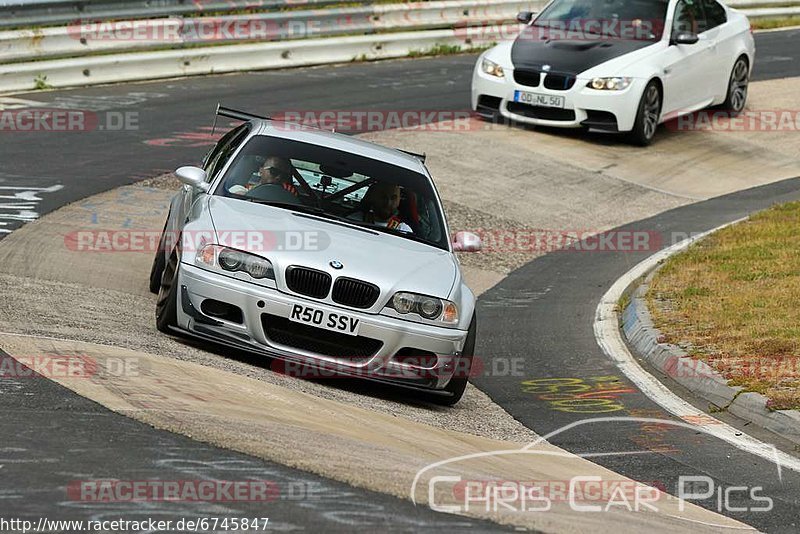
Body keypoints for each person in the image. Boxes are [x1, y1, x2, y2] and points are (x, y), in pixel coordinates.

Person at [229, 156, 298, 196]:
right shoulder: (240, 189)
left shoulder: (289, 197)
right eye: (274, 171)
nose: (279, 177)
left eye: (284, 175)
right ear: (261, 171)